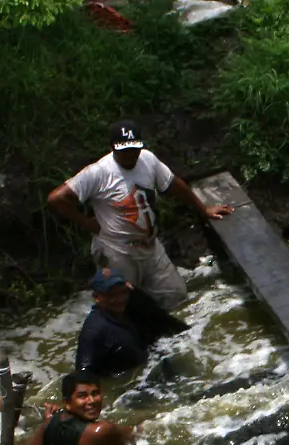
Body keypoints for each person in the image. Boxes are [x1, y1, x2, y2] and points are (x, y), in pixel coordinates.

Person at [46, 119, 234, 311]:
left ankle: (176, 338)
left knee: (176, 297)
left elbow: (173, 184)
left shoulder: (147, 160)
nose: (131, 155)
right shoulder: (98, 173)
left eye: (134, 149)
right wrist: (86, 223)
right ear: (113, 149)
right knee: (121, 307)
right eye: (124, 151)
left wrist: (203, 209)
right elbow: (56, 198)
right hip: (117, 251)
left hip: (150, 247)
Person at [26, 372, 137, 445]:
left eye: (95, 393)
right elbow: (135, 433)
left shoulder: (49, 423)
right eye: (82, 396)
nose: (92, 400)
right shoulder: (101, 430)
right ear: (66, 403)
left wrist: (49, 422)